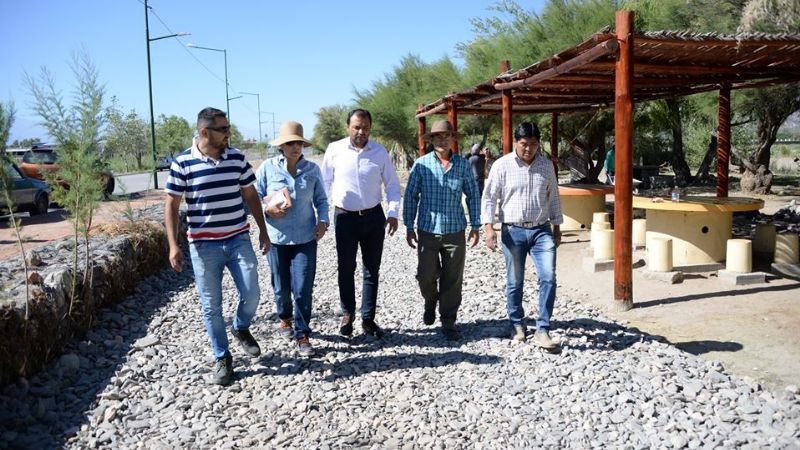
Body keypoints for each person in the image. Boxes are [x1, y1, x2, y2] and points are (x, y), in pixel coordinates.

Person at [164, 107, 270, 386]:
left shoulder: (236, 158)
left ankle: (240, 327)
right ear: (204, 132)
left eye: (228, 128)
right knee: (211, 306)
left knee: (252, 291)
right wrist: (173, 245)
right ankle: (222, 357)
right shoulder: (182, 163)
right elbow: (172, 206)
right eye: (223, 129)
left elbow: (250, 195)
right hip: (202, 246)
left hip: (238, 238)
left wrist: (262, 229)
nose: (228, 134)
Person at [481, 122, 563, 350]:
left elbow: (554, 197)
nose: (528, 149)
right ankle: (517, 324)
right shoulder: (501, 165)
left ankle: (543, 329)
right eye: (524, 144)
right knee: (515, 281)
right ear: (516, 142)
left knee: (548, 277)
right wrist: (489, 228)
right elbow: (489, 198)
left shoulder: (546, 166)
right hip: (513, 230)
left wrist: (557, 228)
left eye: (534, 144)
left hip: (541, 230)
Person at [320, 108, 401, 338]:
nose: (361, 131)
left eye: (365, 127)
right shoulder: (334, 150)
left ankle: (368, 319)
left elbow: (393, 185)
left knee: (371, 270)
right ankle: (348, 314)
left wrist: (393, 212)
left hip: (374, 218)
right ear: (348, 127)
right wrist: (321, 216)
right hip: (344, 217)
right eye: (356, 127)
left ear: (370, 128)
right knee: (346, 267)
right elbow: (324, 184)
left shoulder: (379, 152)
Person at [254, 121, 329, 358]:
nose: (295, 147)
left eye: (298, 143)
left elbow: (321, 200)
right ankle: (284, 318)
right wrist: (268, 210)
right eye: (290, 143)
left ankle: (303, 333)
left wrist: (323, 221)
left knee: (303, 287)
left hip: (306, 238)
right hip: (277, 239)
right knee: (281, 286)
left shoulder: (312, 170)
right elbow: (254, 196)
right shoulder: (267, 168)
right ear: (282, 147)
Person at [403, 120, 481, 341]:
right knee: (425, 275)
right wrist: (409, 226)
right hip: (427, 230)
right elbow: (410, 196)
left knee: (452, 279)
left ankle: (448, 321)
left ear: (452, 139)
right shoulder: (421, 165)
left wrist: (476, 225)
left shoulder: (463, 165)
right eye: (438, 136)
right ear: (432, 140)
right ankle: (430, 300)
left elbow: (473, 195)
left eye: (446, 136)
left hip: (455, 230)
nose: (442, 140)